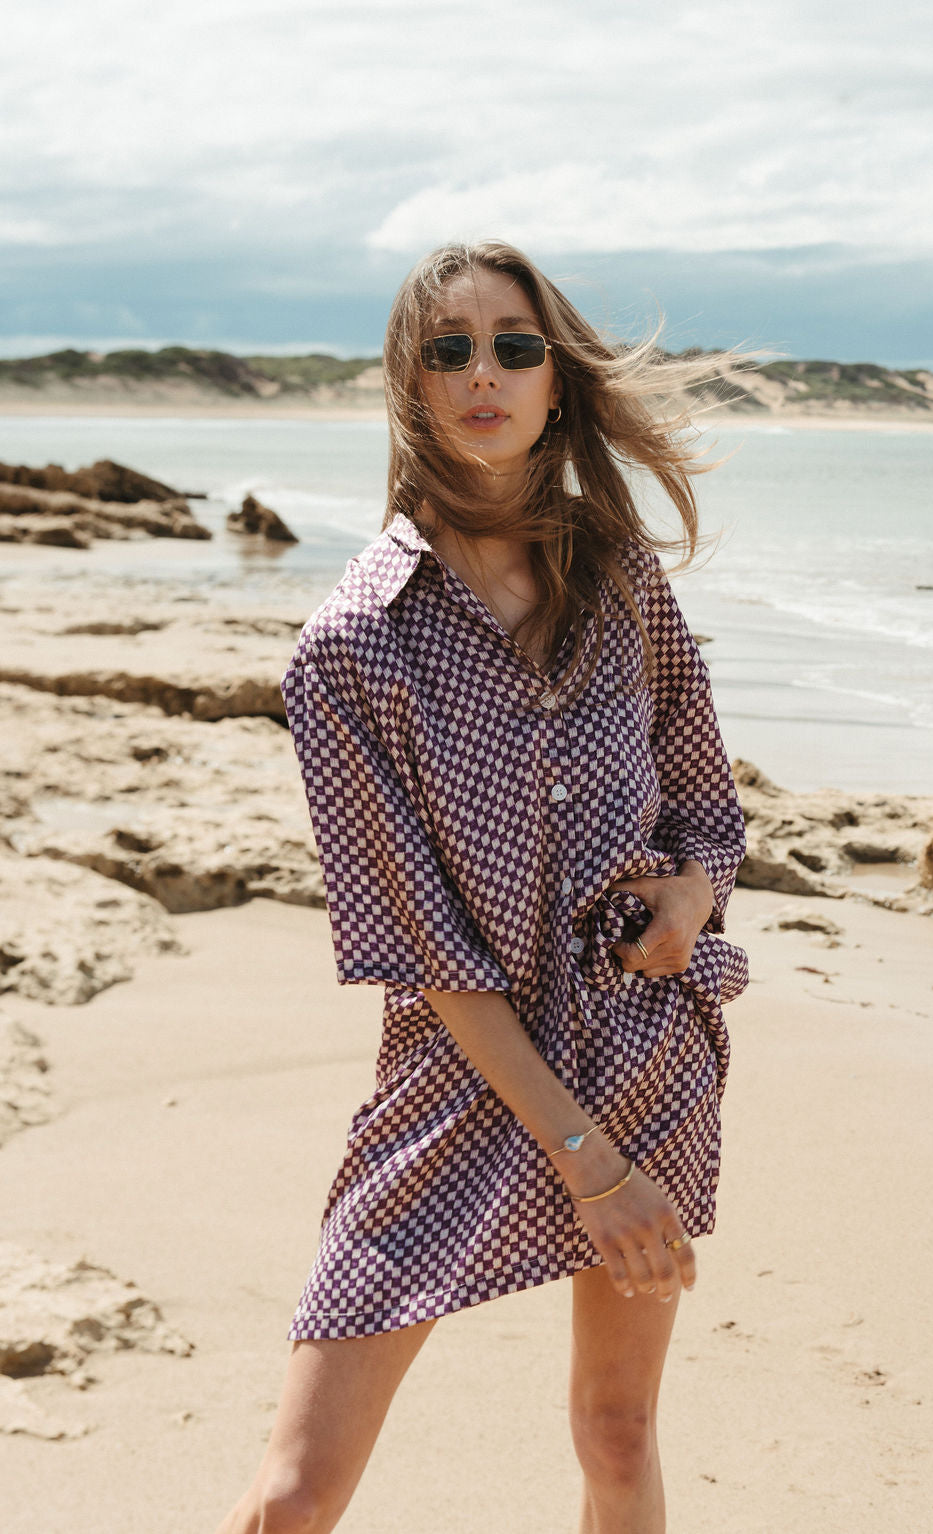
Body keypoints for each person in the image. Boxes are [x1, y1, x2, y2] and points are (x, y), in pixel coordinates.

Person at [216, 240, 748, 1534]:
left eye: (515, 344)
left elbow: (704, 801)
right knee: (298, 1493)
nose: (484, 372)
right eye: (447, 348)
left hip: (641, 1047)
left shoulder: (620, 579)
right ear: (409, 385)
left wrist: (690, 896)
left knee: (617, 1438)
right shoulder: (350, 649)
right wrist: (590, 1165)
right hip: (462, 1079)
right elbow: (431, 952)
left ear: (558, 380)